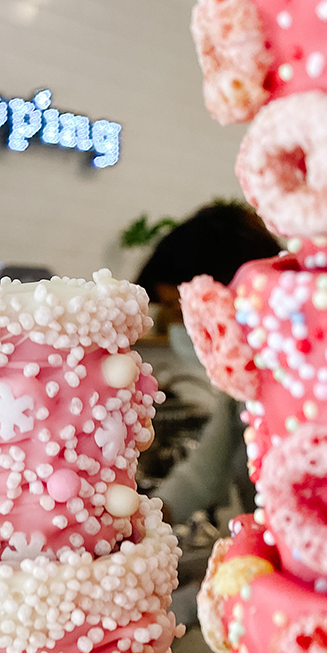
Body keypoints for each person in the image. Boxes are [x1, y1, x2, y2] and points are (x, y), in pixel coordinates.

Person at [134, 201, 280, 524]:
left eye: (178, 309)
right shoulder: (242, 384)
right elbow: (205, 471)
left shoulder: (307, 381)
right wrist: (142, 523)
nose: (176, 325)